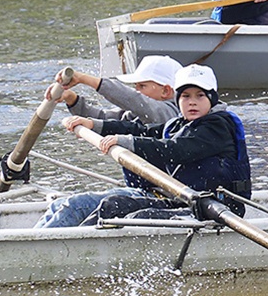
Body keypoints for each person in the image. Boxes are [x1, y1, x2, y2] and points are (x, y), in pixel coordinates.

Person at [35, 64, 251, 229]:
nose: (192, 102)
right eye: (186, 96)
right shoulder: (178, 122)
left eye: (200, 95)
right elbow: (144, 131)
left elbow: (176, 149)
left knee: (115, 211)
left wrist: (126, 142)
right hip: (169, 198)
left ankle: (59, 252)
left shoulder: (217, 127)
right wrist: (93, 125)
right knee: (69, 204)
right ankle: (31, 247)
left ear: (212, 99)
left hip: (208, 208)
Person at [56, 55, 181, 126]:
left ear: (165, 91)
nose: (137, 90)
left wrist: (84, 79)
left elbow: (134, 100)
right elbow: (102, 118)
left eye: (142, 86)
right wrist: (72, 99)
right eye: (135, 86)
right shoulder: (134, 114)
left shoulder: (171, 114)